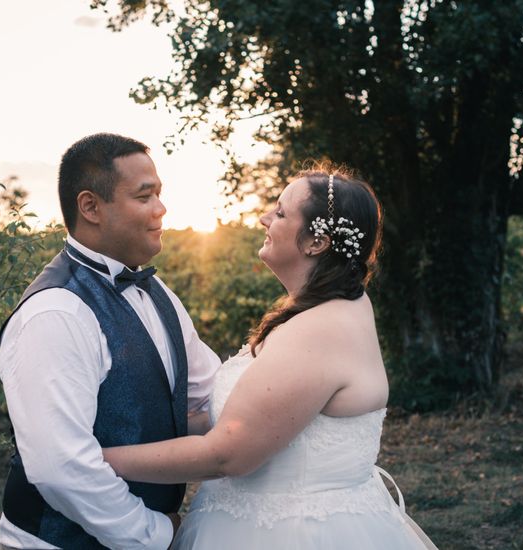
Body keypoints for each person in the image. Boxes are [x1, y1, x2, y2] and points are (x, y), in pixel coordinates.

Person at [102, 168, 438, 549]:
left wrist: (98, 458)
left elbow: (227, 455)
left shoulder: (319, 330)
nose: (264, 218)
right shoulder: (338, 304)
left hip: (293, 533)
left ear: (316, 242)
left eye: (279, 213)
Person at [0, 133, 220, 549]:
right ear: (91, 207)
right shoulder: (56, 314)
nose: (161, 208)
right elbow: (60, 468)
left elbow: (211, 392)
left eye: (159, 194)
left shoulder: (157, 292)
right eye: (144, 196)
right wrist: (155, 534)